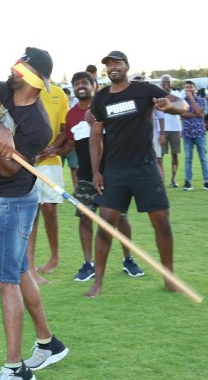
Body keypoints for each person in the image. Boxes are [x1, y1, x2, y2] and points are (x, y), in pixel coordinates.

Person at [0, 47, 69, 379]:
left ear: (34, 77)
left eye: (21, 66)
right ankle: (48, 343)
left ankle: (14, 367)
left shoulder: (39, 125)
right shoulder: (4, 88)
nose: (13, 69)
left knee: (6, 281)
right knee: (21, 271)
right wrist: (1, 134)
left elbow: (11, 170)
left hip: (11, 202)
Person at [86, 50, 188, 299]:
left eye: (117, 63)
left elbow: (183, 105)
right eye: (109, 64)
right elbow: (96, 135)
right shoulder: (101, 98)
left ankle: (169, 278)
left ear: (127, 66)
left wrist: (169, 105)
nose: (113, 67)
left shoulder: (144, 90)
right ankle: (98, 283)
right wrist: (96, 171)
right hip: (115, 171)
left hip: (145, 168)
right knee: (105, 226)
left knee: (162, 223)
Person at [62, 72, 143, 283]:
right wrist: (53, 150)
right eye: (76, 83)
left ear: (94, 86)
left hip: (113, 175)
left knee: (121, 217)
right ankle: (87, 264)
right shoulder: (71, 115)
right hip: (85, 177)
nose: (80, 86)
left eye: (85, 83)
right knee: (85, 218)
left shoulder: (107, 107)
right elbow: (70, 143)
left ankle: (128, 259)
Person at [26, 78, 71, 285]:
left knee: (50, 210)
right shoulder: (22, 90)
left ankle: (54, 257)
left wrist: (52, 149)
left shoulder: (58, 93)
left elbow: (64, 128)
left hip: (50, 160)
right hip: (26, 161)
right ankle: (29, 265)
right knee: (31, 212)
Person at [180, 80, 208, 190]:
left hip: (199, 133)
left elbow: (199, 111)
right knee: (188, 158)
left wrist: (191, 99)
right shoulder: (181, 101)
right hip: (187, 133)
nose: (188, 89)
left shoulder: (202, 100)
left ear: (195, 88)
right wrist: (195, 114)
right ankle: (188, 182)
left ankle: (207, 182)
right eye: (186, 87)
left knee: (203, 158)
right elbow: (182, 114)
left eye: (190, 87)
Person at [158, 75, 183, 187]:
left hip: (175, 129)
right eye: (164, 82)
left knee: (175, 154)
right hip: (161, 130)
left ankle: (173, 179)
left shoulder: (177, 95)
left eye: (168, 82)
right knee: (160, 156)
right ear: (161, 84)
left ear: (171, 84)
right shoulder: (157, 95)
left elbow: (181, 110)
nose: (166, 84)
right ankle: (161, 180)